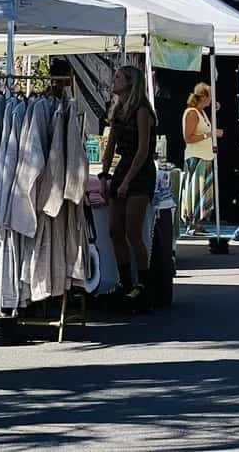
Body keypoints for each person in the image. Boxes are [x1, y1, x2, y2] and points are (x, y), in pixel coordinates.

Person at [100, 65, 157, 312]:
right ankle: (125, 283)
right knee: (115, 229)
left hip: (140, 171)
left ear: (130, 83)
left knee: (133, 232)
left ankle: (144, 286)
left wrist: (125, 182)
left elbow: (144, 150)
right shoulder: (118, 110)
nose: (114, 81)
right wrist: (104, 175)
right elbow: (110, 144)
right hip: (124, 167)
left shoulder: (142, 111)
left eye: (118, 78)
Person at [180, 82, 221, 234]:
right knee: (195, 192)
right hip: (196, 158)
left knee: (202, 192)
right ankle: (191, 223)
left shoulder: (202, 112)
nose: (211, 100)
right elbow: (188, 138)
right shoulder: (192, 113)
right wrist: (210, 134)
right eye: (209, 97)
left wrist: (214, 108)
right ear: (203, 97)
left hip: (205, 157)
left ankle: (197, 223)